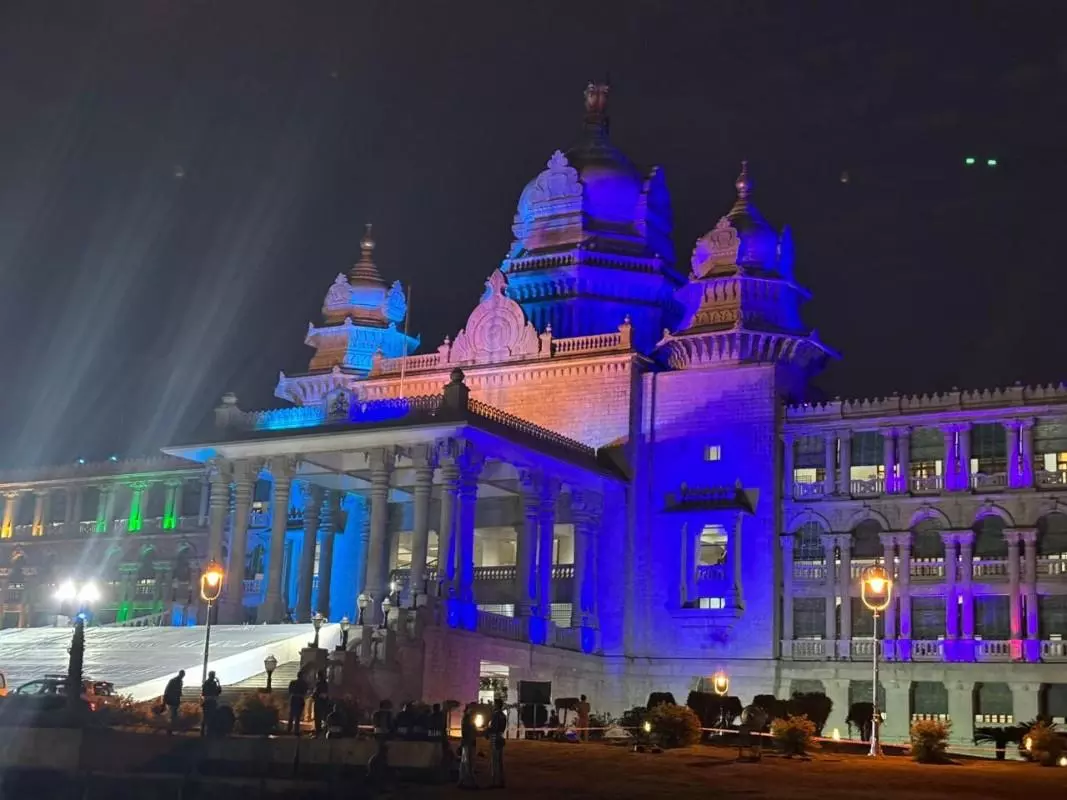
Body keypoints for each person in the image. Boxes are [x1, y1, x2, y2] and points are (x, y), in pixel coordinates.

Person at [486, 698, 507, 788]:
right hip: (501, 737)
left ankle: (494, 782)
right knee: (500, 761)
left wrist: (487, 731)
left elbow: (494, 727)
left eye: (495, 704)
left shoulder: (495, 715)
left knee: (494, 760)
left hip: (495, 738)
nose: (494, 706)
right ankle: (501, 781)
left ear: (497, 705)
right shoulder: (503, 715)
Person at [458, 704, 478, 790]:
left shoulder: (468, 718)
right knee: (467, 763)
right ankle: (467, 782)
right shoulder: (467, 719)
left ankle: (463, 781)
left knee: (466, 763)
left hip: (468, 743)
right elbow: (466, 732)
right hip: (467, 743)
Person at [286, 669, 309, 735]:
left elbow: (290, 691)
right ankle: (296, 730)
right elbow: (305, 692)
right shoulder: (304, 684)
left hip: (293, 698)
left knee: (291, 715)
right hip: (300, 699)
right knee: (298, 716)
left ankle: (289, 729)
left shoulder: (292, 682)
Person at [200, 670, 222, 737]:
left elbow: (218, 692)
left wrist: (218, 683)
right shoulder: (207, 683)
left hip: (212, 701)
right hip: (208, 701)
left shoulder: (214, 683)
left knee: (211, 716)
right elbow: (205, 692)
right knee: (206, 716)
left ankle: (208, 731)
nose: (213, 676)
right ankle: (203, 731)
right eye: (213, 675)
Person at [162, 669, 184, 735]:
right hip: (172, 700)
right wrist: (165, 699)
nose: (182, 676)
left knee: (173, 714)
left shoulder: (179, 681)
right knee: (172, 715)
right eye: (182, 675)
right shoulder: (175, 681)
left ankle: (170, 729)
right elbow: (167, 690)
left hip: (175, 700)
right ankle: (170, 730)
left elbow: (168, 690)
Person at [312, 670, 330, 736]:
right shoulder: (326, 684)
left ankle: (318, 731)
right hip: (324, 702)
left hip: (319, 702)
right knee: (324, 717)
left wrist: (313, 696)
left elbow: (316, 693)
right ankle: (324, 730)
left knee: (318, 717)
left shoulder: (319, 684)